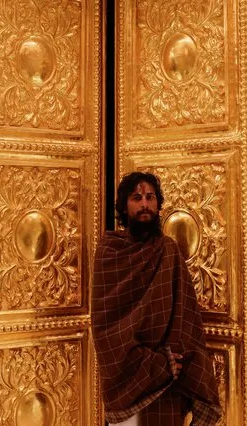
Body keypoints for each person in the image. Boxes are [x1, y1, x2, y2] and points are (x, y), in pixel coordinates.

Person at [92, 172, 222, 426]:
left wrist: (168, 362)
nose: (144, 204)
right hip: (126, 381)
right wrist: (151, 364)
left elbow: (185, 314)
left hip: (168, 382)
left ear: (158, 204)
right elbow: (104, 327)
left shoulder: (167, 250)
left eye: (150, 197)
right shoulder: (109, 252)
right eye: (136, 197)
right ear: (124, 206)